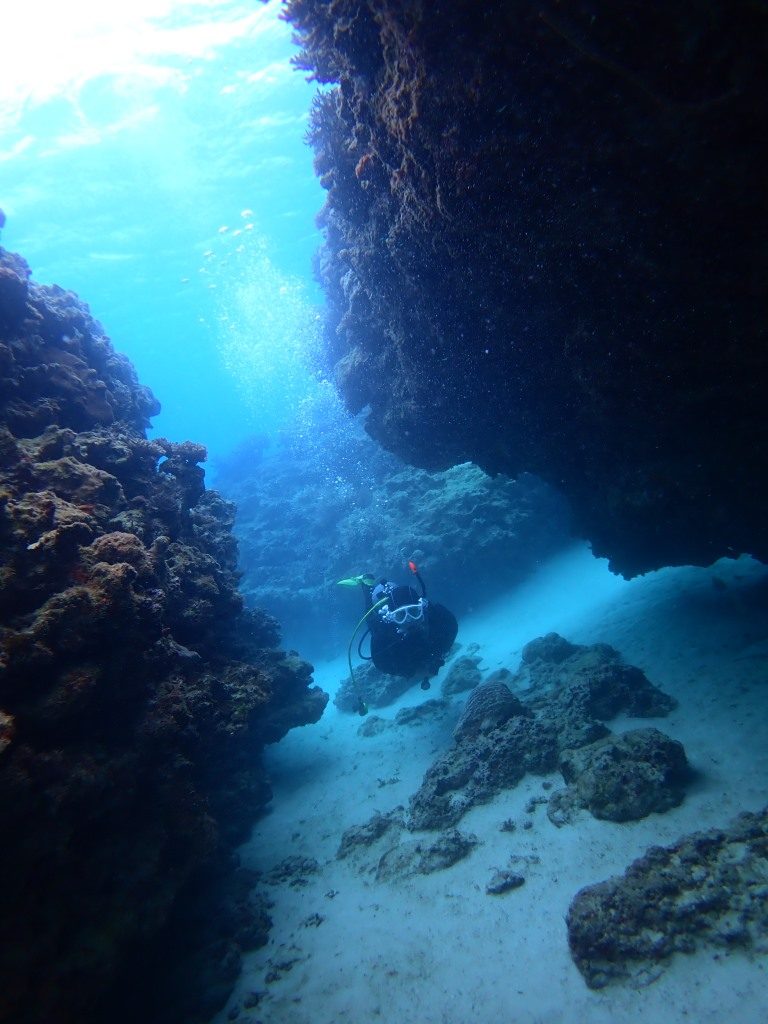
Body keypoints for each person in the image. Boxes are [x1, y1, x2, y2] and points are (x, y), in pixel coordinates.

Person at [338, 561, 458, 713]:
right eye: (401, 616)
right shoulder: (384, 633)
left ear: (422, 609)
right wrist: (409, 671)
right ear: (391, 618)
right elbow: (383, 664)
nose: (409, 621)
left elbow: (449, 628)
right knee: (372, 620)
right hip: (387, 626)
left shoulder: (438, 620)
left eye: (414, 613)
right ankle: (365, 586)